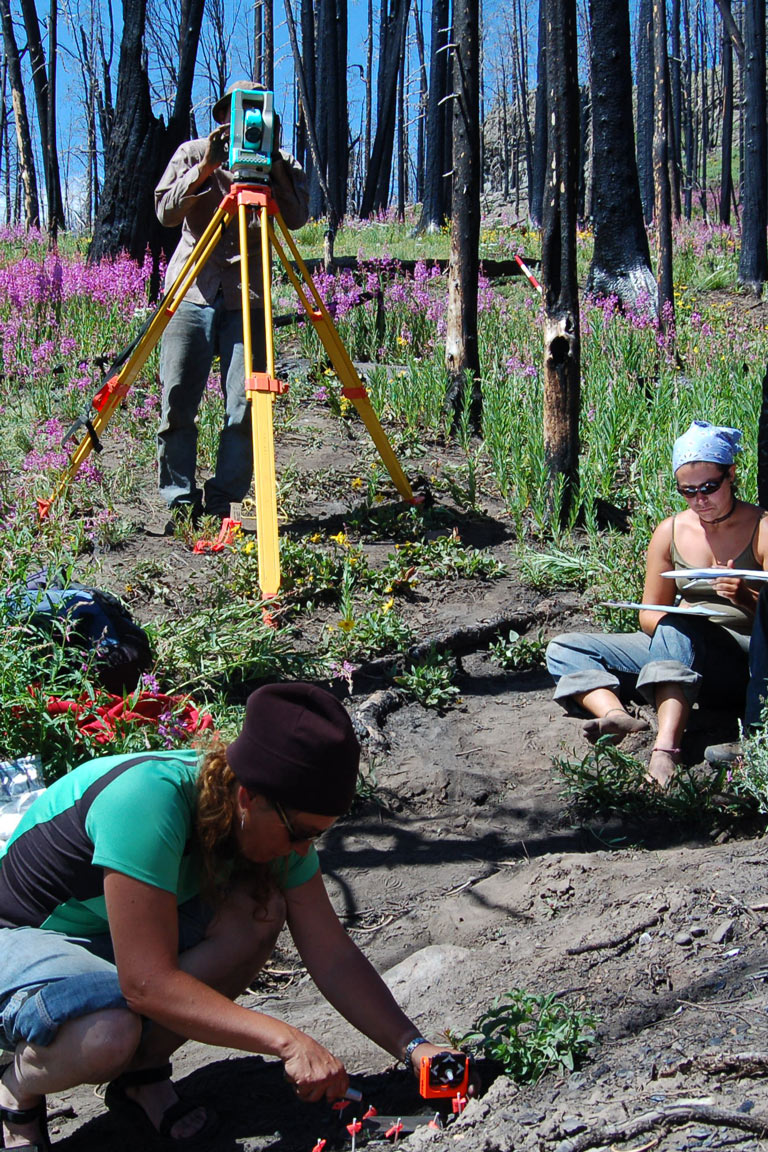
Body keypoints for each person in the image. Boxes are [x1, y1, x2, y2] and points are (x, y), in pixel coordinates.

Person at [0, 683, 458, 1150]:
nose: (304, 850)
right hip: (20, 935)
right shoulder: (146, 801)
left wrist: (413, 1048)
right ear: (248, 799)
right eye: (301, 832)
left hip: (104, 934)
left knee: (257, 913)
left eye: (317, 836)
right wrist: (287, 1041)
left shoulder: (272, 818)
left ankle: (141, 1077)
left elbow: (332, 954)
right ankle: (15, 1089)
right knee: (107, 1035)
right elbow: (146, 983)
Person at [546, 420, 768, 788]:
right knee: (564, 648)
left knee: (681, 628)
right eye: (687, 491)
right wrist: (675, 627)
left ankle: (665, 749)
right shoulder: (671, 531)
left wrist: (742, 596)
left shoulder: (760, 528)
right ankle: (616, 715)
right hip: (681, 642)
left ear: (731, 475)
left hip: (740, 659)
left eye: (709, 488)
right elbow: (650, 613)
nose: (700, 500)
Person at [155, 81, 309, 524]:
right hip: (191, 288)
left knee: (245, 404)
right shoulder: (192, 152)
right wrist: (205, 168)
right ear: (223, 117)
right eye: (238, 115)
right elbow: (164, 212)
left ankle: (225, 500)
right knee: (178, 399)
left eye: (257, 116)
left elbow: (298, 219)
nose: (245, 126)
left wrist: (275, 166)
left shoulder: (279, 164)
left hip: (249, 294)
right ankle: (179, 501)